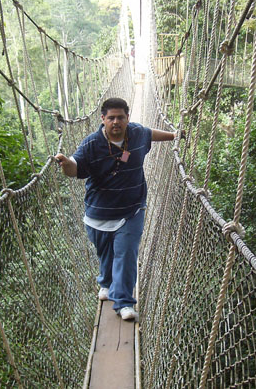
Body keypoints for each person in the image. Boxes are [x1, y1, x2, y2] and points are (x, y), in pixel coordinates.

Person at [55, 97, 179, 321]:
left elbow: (151, 133)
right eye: (110, 118)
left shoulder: (137, 133)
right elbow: (75, 168)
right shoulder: (92, 144)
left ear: (127, 118)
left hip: (132, 209)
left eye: (120, 117)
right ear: (102, 120)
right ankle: (106, 282)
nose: (116, 122)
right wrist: (65, 164)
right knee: (106, 253)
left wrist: (174, 136)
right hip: (99, 213)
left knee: (126, 253)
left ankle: (123, 302)